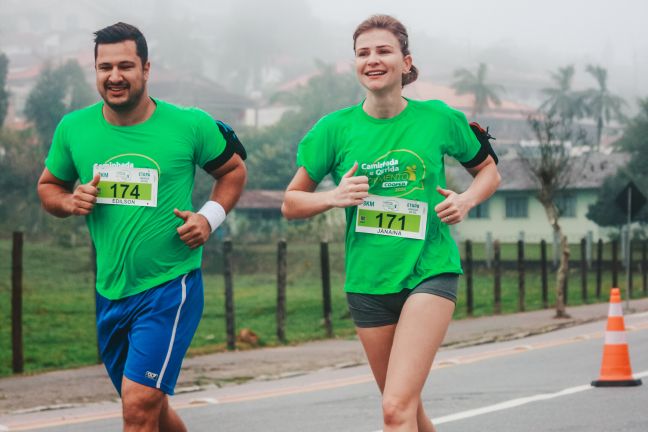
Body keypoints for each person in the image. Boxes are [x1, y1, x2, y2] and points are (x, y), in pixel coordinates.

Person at [282, 15, 500, 432]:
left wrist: (467, 199)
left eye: (383, 51)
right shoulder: (334, 129)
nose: (372, 60)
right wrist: (333, 197)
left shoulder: (438, 118)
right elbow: (291, 202)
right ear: (355, 65)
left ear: (405, 61)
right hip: (368, 283)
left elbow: (488, 170)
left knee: (394, 409)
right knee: (408, 410)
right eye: (363, 53)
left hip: (429, 270)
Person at [37, 22, 247, 432]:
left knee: (138, 405)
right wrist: (68, 200)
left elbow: (233, 171)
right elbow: (48, 186)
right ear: (95, 71)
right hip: (111, 291)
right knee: (151, 409)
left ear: (146, 69)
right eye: (105, 67)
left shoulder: (189, 125)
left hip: (170, 286)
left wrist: (209, 217)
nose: (114, 76)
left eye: (126, 66)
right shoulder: (74, 129)